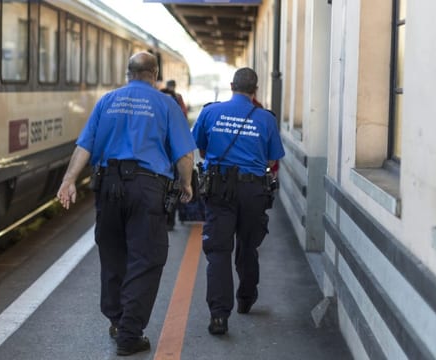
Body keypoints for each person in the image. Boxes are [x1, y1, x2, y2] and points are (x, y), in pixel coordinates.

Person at [56, 51, 196, 356]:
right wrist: (186, 184)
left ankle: (118, 321)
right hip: (147, 188)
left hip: (108, 186)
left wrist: (68, 180)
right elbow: (185, 155)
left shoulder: (108, 101)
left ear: (127, 73)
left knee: (113, 254)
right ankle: (130, 334)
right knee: (146, 259)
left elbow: (85, 145)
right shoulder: (166, 104)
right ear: (154, 74)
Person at [191, 67, 285, 335]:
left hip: (219, 189)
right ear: (255, 90)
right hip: (254, 191)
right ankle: (246, 298)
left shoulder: (210, 112)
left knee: (218, 251)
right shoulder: (266, 119)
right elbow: (272, 160)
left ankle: (219, 316)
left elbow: (198, 146)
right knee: (247, 246)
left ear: (231, 85)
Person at [160, 79, 189, 230]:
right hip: (173, 156)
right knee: (173, 187)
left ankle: (165, 219)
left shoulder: (157, 101)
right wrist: (187, 183)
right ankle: (170, 220)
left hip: (159, 160)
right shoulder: (177, 100)